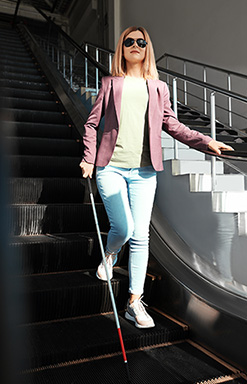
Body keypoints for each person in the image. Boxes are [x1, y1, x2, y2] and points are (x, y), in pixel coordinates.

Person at [79, 26, 233, 329]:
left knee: (141, 236)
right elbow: (92, 123)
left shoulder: (158, 88)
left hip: (145, 173)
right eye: (129, 41)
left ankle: (134, 302)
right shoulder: (111, 83)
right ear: (121, 49)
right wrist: (88, 157)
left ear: (147, 48)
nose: (135, 45)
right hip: (110, 167)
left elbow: (173, 125)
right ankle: (110, 252)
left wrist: (205, 141)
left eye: (141, 41)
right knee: (123, 227)